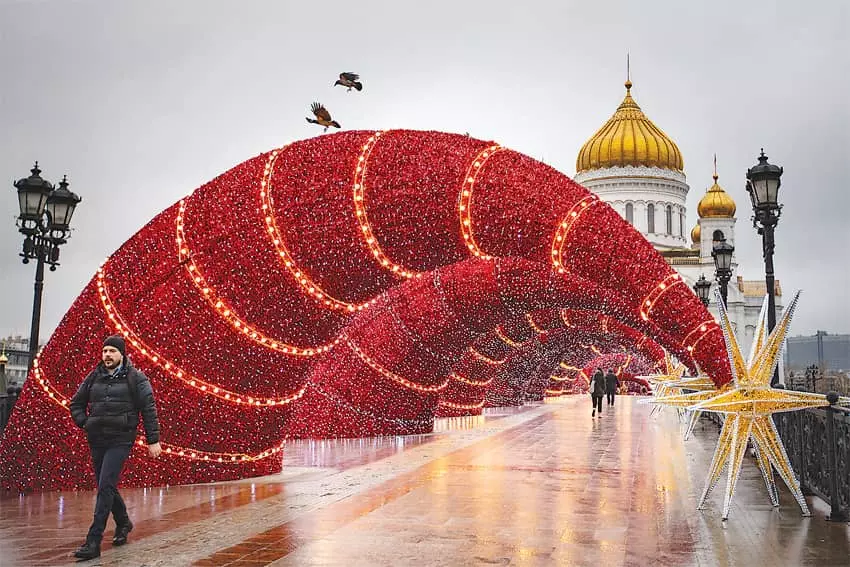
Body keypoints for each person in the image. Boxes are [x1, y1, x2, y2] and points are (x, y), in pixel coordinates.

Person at [69, 335, 162, 560]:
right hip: (97, 438)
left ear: (122, 354)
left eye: (112, 351)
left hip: (121, 438)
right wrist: (85, 422)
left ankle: (93, 541)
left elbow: (148, 409)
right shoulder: (94, 377)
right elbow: (76, 403)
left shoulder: (136, 378)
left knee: (105, 485)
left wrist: (153, 440)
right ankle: (123, 522)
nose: (107, 355)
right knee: (106, 485)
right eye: (104, 351)